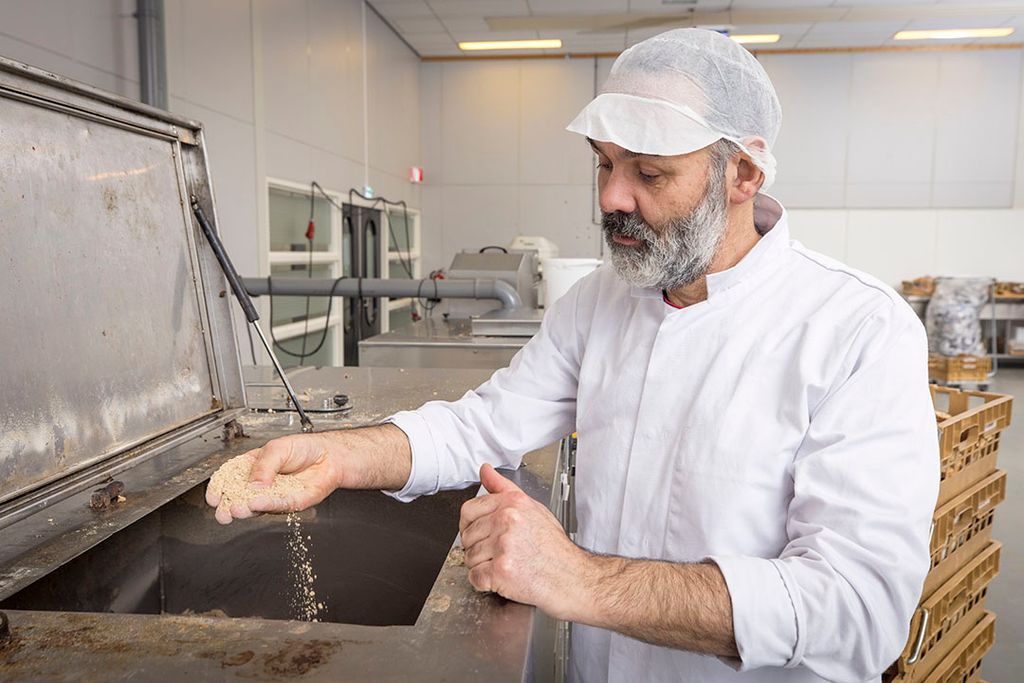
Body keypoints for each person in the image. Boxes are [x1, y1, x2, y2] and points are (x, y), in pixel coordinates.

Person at [207, 28, 939, 682]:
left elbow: (860, 605)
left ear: (743, 175)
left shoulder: (856, 331)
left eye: (649, 174)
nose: (613, 197)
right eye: (603, 164)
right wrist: (342, 457)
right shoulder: (601, 301)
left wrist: (581, 580)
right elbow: (485, 424)